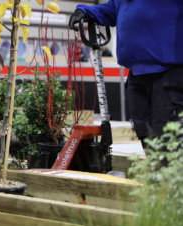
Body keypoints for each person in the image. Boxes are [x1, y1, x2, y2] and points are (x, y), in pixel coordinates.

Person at [69, 1, 183, 149]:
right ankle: (156, 171)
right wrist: (85, 11)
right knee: (147, 137)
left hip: (167, 74)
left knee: (169, 139)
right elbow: (113, 9)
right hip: (137, 76)